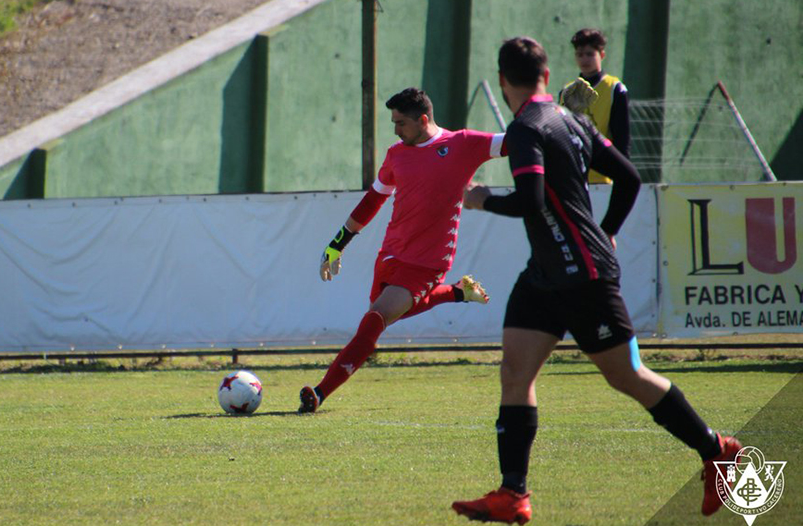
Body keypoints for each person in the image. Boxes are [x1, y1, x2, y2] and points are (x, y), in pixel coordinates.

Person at [449, 37, 741, 525]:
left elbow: (532, 200)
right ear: (546, 74)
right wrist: (607, 231)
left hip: (583, 275)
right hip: (546, 274)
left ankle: (718, 451)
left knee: (625, 375)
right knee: (515, 373)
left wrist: (480, 199)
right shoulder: (575, 121)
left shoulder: (526, 129)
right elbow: (628, 179)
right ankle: (513, 493)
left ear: (503, 81)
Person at [298, 87, 502, 414]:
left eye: (401, 123)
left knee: (374, 320)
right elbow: (374, 200)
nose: (395, 130)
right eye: (393, 122)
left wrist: (562, 114)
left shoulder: (462, 143)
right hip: (391, 253)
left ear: (423, 120)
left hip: (428, 262)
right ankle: (457, 293)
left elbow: (517, 139)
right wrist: (337, 244)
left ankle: (320, 393)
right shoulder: (396, 154)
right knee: (386, 316)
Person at [558, 28, 630, 184]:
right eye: (579, 54)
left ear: (602, 55)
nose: (584, 59)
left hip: (604, 179)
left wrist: (621, 176)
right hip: (573, 180)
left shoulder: (615, 89)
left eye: (590, 54)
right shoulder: (567, 92)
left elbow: (622, 140)